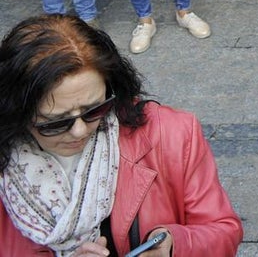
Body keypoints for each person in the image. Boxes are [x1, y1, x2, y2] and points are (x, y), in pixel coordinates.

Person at [0, 13, 243, 254]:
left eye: (95, 109)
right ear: (16, 113)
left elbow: (222, 231)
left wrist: (173, 246)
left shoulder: (172, 134)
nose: (80, 130)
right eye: (55, 123)